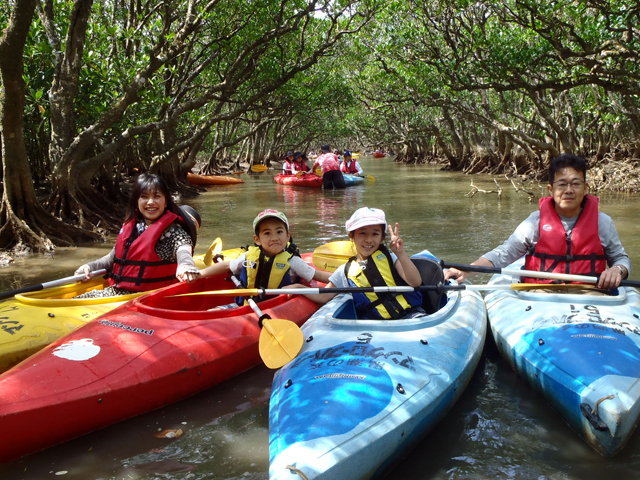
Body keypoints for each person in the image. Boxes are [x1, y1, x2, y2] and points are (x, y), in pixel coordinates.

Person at [445, 154, 631, 290]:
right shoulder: (535, 222)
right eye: (562, 184)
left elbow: (620, 258)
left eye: (576, 183)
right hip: (540, 294)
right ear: (551, 189)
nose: (569, 190)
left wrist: (618, 270)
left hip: (590, 293)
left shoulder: (602, 222)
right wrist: (466, 270)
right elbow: (505, 253)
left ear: (585, 188)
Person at [74, 173, 201, 298]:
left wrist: (186, 265)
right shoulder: (133, 228)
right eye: (144, 197)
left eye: (157, 197)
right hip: (118, 293)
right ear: (136, 202)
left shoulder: (173, 232)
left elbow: (183, 250)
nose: (151, 202)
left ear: (166, 201)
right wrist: (89, 267)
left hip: (147, 298)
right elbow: (111, 258)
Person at [292, 207, 425, 319]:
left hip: (411, 316)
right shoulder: (345, 271)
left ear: (382, 238)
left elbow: (415, 282)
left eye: (375, 234)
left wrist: (400, 253)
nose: (368, 240)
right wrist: (299, 288)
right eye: (362, 233)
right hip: (378, 326)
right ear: (352, 236)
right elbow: (324, 295)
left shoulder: (391, 258)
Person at [198, 209, 331, 304]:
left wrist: (344, 274)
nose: (274, 238)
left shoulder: (293, 261)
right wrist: (199, 274)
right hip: (243, 307)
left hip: (277, 308)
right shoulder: (248, 257)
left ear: (287, 236)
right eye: (267, 233)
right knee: (213, 311)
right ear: (257, 239)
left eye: (279, 232)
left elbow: (317, 276)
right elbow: (227, 265)